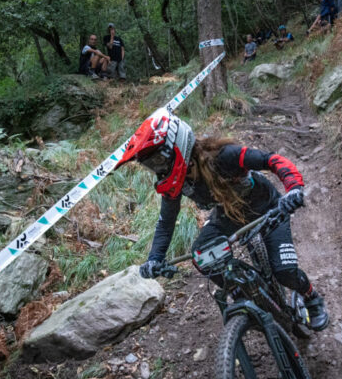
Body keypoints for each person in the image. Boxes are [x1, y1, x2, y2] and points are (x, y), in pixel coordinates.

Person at [117, 109, 330, 331]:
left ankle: (312, 298)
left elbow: (271, 160)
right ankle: (242, 297)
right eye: (152, 165)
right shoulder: (177, 183)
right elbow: (166, 222)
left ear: (176, 145)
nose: (158, 169)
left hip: (268, 209)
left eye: (159, 160)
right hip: (229, 217)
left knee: (284, 271)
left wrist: (294, 189)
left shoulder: (224, 156)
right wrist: (155, 258)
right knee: (201, 255)